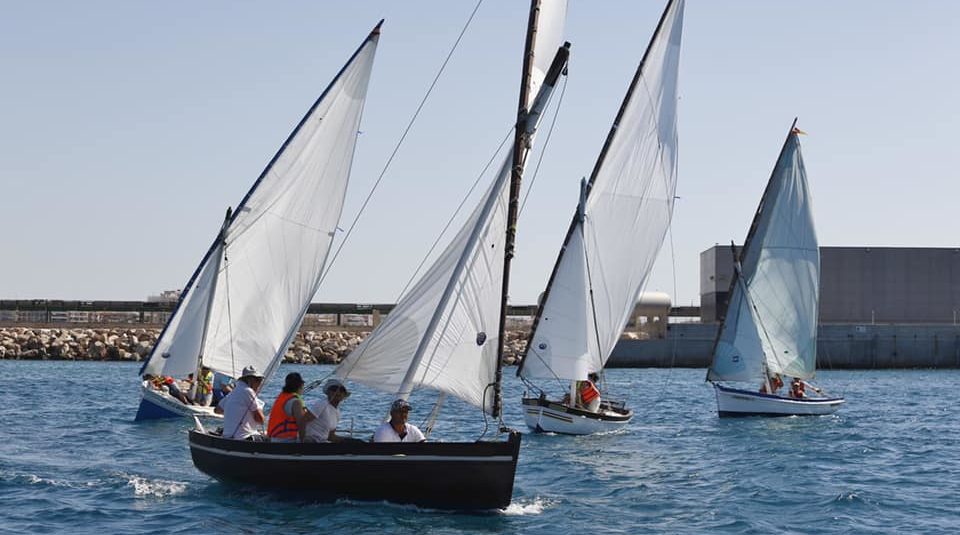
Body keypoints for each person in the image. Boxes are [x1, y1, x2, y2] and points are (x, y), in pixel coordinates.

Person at [215, 365, 266, 440]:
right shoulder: (248, 391)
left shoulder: (234, 391)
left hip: (228, 436)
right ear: (251, 380)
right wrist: (260, 408)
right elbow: (260, 419)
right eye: (259, 380)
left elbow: (217, 410)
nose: (260, 383)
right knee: (271, 436)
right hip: (244, 438)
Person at [267, 372, 313, 442]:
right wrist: (303, 442)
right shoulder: (296, 402)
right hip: (286, 441)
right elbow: (301, 424)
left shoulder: (282, 397)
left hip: (274, 438)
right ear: (300, 385)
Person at [303, 378, 352, 443]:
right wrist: (302, 440)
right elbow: (302, 421)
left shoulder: (337, 413)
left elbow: (330, 437)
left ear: (344, 396)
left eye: (341, 390)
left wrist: (347, 440)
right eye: (334, 389)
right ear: (328, 392)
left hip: (322, 443)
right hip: (310, 442)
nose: (338, 392)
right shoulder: (322, 404)